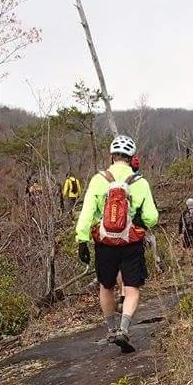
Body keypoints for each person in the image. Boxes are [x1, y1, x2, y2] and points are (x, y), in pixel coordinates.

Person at [76, 135, 158, 351]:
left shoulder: (98, 180)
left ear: (111, 156)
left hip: (105, 244)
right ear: (132, 158)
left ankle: (111, 330)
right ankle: (124, 329)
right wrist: (140, 220)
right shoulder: (140, 182)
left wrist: (82, 239)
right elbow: (152, 217)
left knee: (106, 285)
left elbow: (86, 213)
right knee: (131, 287)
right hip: (130, 243)